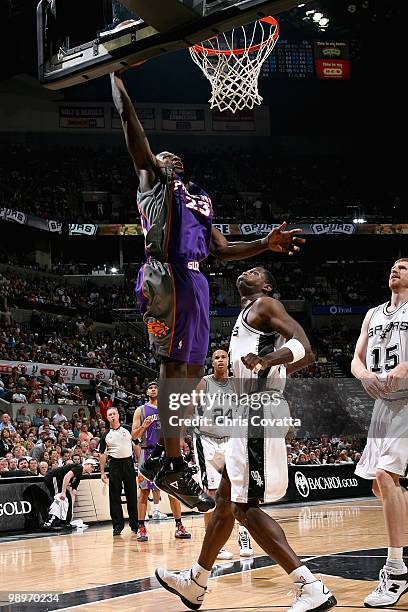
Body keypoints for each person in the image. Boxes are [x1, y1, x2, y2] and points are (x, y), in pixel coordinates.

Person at [111, 67, 304, 513]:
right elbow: (132, 132)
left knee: (190, 369)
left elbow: (220, 248)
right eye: (161, 155)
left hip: (196, 279)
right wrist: (117, 83)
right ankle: (172, 460)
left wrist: (264, 244)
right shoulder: (152, 182)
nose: (166, 157)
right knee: (173, 363)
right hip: (167, 274)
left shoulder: (197, 195)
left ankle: (173, 462)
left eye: (171, 156)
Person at [155, 266, 336, 612]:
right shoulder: (246, 317)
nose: (246, 271)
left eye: (256, 270)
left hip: (257, 410)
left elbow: (305, 346)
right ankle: (196, 582)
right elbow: (302, 358)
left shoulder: (266, 304)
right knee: (225, 504)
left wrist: (268, 361)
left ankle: (309, 585)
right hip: (248, 410)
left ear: (266, 285)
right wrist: (273, 366)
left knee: (242, 506)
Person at [351, 258, 408, 607]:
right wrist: (364, 375)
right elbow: (356, 357)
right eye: (393, 266)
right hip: (382, 404)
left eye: (404, 266)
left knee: (387, 477)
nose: (396, 270)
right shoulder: (373, 314)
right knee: (379, 484)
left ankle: (397, 570)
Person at [192, 348, 253, 560]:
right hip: (207, 440)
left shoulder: (237, 384)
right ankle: (214, 544)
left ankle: (244, 535)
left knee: (239, 488)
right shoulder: (204, 383)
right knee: (211, 494)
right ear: (212, 362)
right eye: (216, 357)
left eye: (223, 357)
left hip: (230, 440)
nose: (220, 360)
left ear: (228, 360)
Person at [132, 381, 192, 542]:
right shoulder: (141, 410)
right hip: (147, 453)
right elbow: (134, 436)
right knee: (143, 492)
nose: (153, 389)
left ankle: (179, 526)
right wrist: (144, 426)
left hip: (167, 453)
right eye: (150, 388)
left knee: (173, 491)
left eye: (155, 387)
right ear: (146, 392)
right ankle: (141, 528)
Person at [99, 407, 138, 536]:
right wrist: (102, 472)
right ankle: (117, 526)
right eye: (109, 415)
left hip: (129, 463)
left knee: (132, 494)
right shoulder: (105, 435)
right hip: (114, 465)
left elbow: (136, 444)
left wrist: (138, 461)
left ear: (118, 415)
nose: (112, 416)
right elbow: (102, 455)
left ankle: (135, 524)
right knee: (114, 497)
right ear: (107, 418)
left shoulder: (127, 428)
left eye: (113, 413)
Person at [42, 459, 97, 530]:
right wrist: (63, 492)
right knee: (59, 499)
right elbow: (67, 477)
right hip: (53, 478)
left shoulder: (79, 474)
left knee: (68, 499)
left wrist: (71, 511)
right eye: (92, 466)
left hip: (58, 480)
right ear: (87, 465)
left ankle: (65, 522)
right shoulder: (79, 468)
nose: (93, 469)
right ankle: (48, 522)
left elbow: (73, 491)